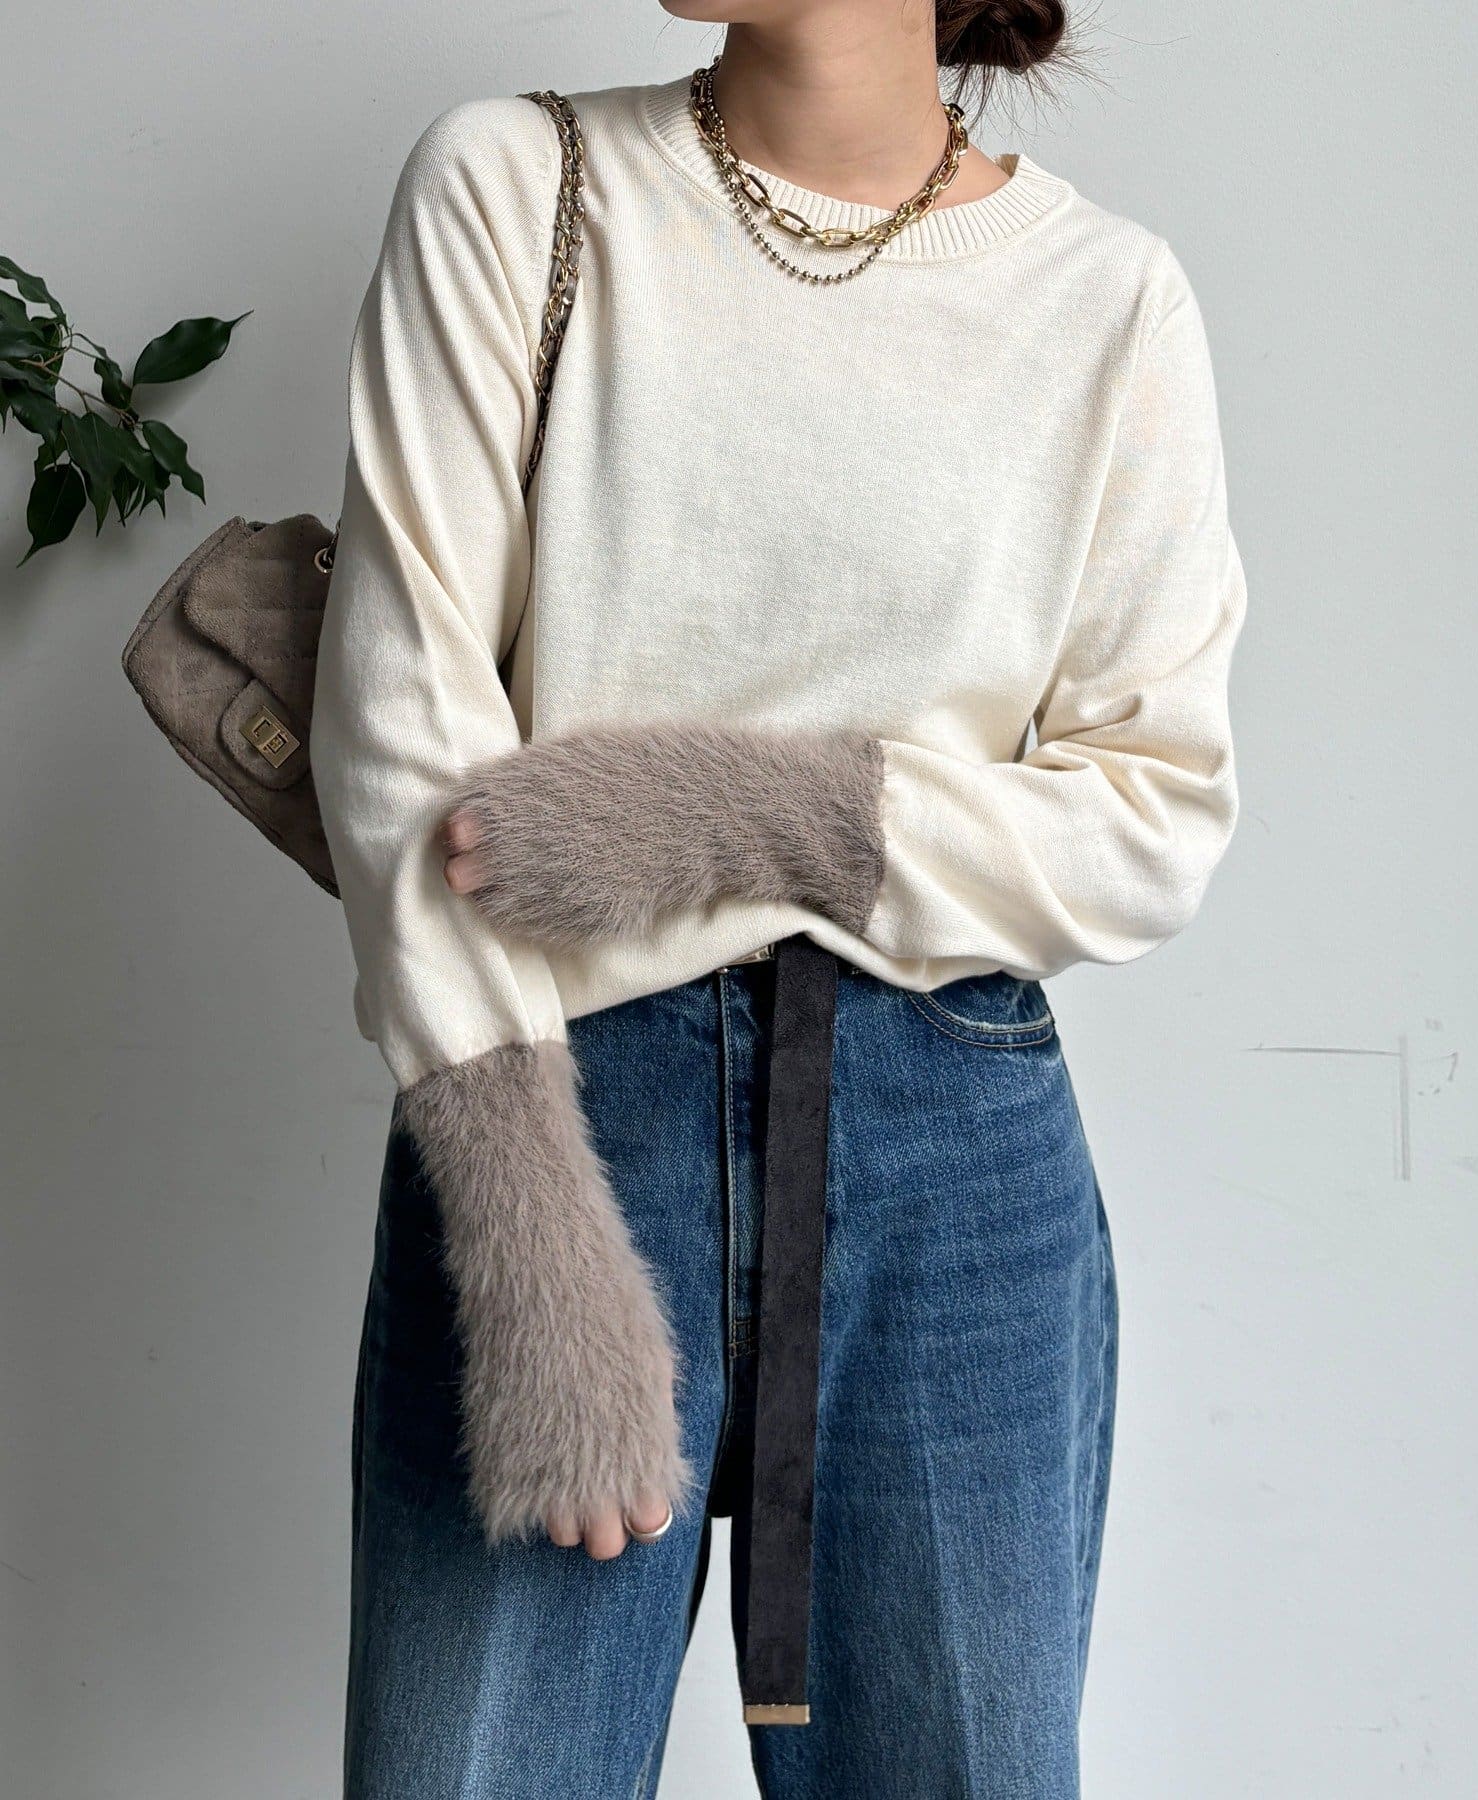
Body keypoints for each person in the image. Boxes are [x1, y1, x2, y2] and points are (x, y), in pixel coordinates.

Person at [309, 3, 1246, 1795]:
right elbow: (400, 730)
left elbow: (1154, 816)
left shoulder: (1107, 300)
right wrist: (529, 1233)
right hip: (556, 1110)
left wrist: (754, 818)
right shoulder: (517, 186)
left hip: (950, 1146)